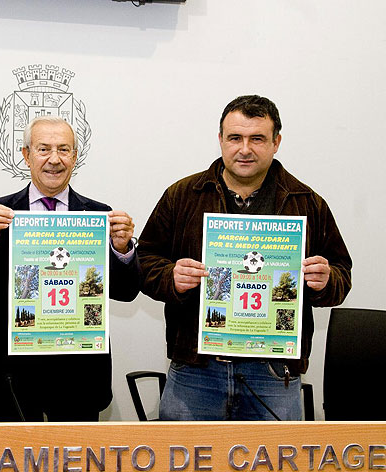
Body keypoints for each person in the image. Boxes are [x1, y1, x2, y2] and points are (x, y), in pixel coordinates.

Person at [137, 95, 352, 421]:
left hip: (273, 372)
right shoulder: (182, 195)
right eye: (235, 138)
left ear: (276, 142)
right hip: (196, 369)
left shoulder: (307, 202)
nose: (245, 149)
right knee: (183, 466)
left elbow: (341, 274)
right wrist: (170, 277)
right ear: (220, 140)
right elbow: (145, 261)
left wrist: (326, 280)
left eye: (257, 139)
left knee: (277, 466)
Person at [0, 116, 140, 422]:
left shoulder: (100, 215)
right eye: (43, 149)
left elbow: (127, 292)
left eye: (64, 150)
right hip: (8, 378)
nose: (54, 159)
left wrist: (121, 249)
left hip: (78, 377)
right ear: (25, 156)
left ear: (75, 157)